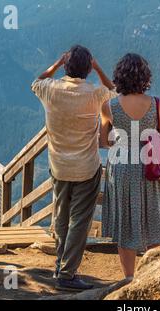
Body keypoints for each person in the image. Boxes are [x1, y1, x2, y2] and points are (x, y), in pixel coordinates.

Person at [31, 45, 117, 291]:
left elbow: (37, 80)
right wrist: (98, 67)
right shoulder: (93, 94)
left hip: (58, 166)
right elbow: (113, 90)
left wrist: (56, 65)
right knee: (79, 220)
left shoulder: (50, 89)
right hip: (87, 167)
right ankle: (67, 274)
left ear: (66, 66)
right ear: (88, 69)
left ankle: (61, 264)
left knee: (60, 216)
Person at [100, 53, 160, 281]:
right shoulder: (155, 103)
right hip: (148, 164)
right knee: (153, 219)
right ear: (145, 77)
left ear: (119, 76)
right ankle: (154, 276)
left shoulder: (108, 106)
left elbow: (103, 141)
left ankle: (129, 279)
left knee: (125, 223)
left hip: (120, 166)